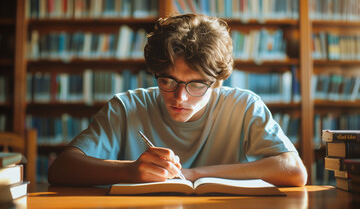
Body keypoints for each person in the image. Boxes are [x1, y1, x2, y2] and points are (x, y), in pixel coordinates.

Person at [48, 13, 307, 187]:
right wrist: (128, 171)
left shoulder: (244, 106)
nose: (179, 97)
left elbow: (294, 171)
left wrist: (195, 174)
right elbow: (60, 169)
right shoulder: (127, 107)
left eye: (195, 84)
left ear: (216, 82)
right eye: (167, 80)